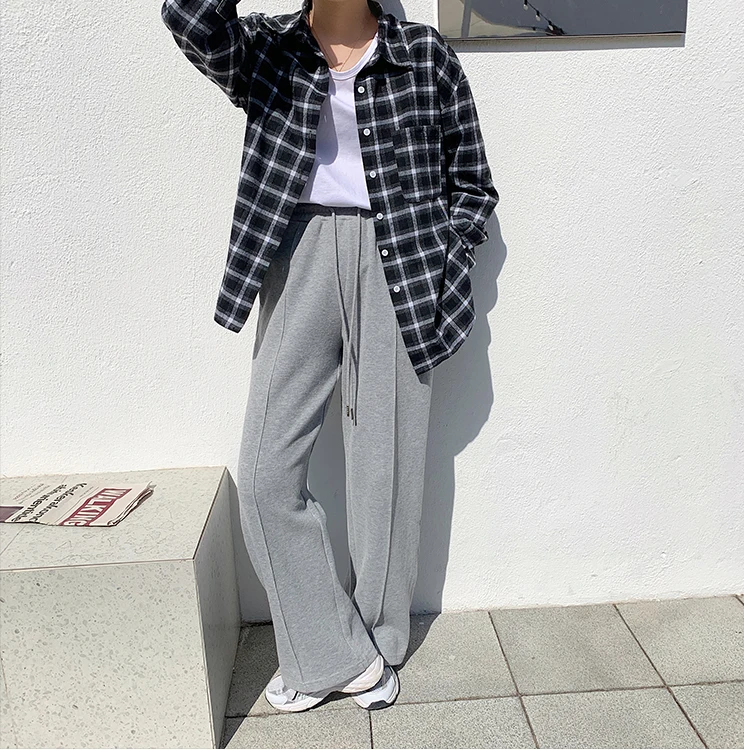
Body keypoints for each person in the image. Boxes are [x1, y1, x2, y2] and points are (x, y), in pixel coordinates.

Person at [161, 0, 499, 713]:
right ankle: (333, 651)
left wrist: (446, 259)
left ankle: (378, 646)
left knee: (385, 471)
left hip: (401, 261)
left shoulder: (424, 55)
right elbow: (189, 19)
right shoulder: (266, 47)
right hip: (300, 253)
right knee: (265, 473)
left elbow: (472, 184)